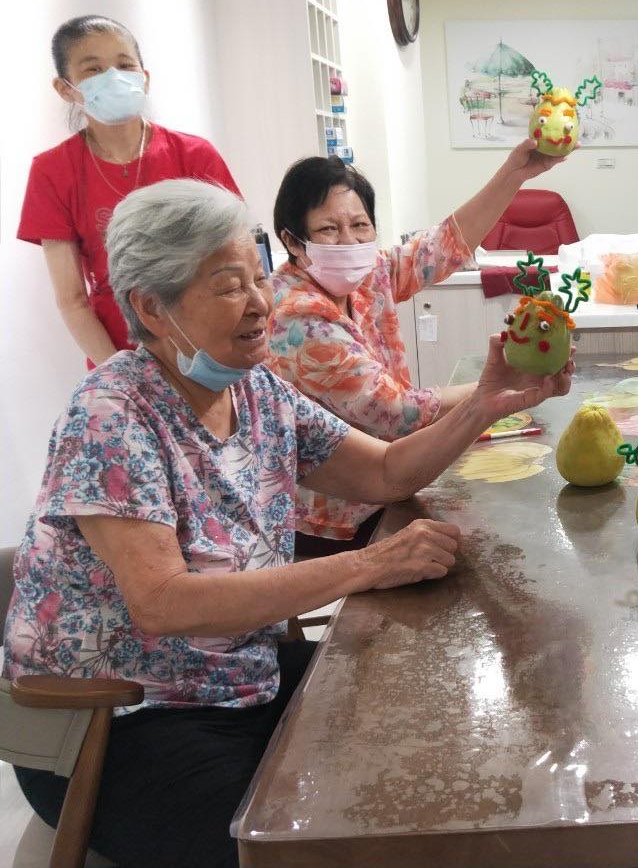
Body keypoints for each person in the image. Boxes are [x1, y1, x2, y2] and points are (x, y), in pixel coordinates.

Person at [1, 179, 572, 868]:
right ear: (151, 306)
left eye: (257, 277)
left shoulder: (256, 390)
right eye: (228, 285)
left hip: (239, 676)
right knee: (323, 844)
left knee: (427, 723)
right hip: (124, 720)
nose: (260, 303)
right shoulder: (112, 416)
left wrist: (484, 404)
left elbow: (385, 473)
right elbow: (163, 602)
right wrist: (367, 566)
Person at [267, 141, 561, 552]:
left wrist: (514, 173)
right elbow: (396, 414)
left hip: (392, 478)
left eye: (360, 225)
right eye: (329, 229)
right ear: (294, 241)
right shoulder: (298, 318)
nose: (350, 241)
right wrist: (499, 387)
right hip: (337, 516)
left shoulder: (365, 275)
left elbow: (442, 247)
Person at [17, 15, 240, 367]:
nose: (113, 77)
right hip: (118, 349)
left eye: (124, 65)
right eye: (93, 69)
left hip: (207, 338)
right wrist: (124, 373)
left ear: (144, 77)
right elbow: (72, 299)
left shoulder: (194, 154)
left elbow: (236, 257)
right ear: (65, 88)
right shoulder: (53, 171)